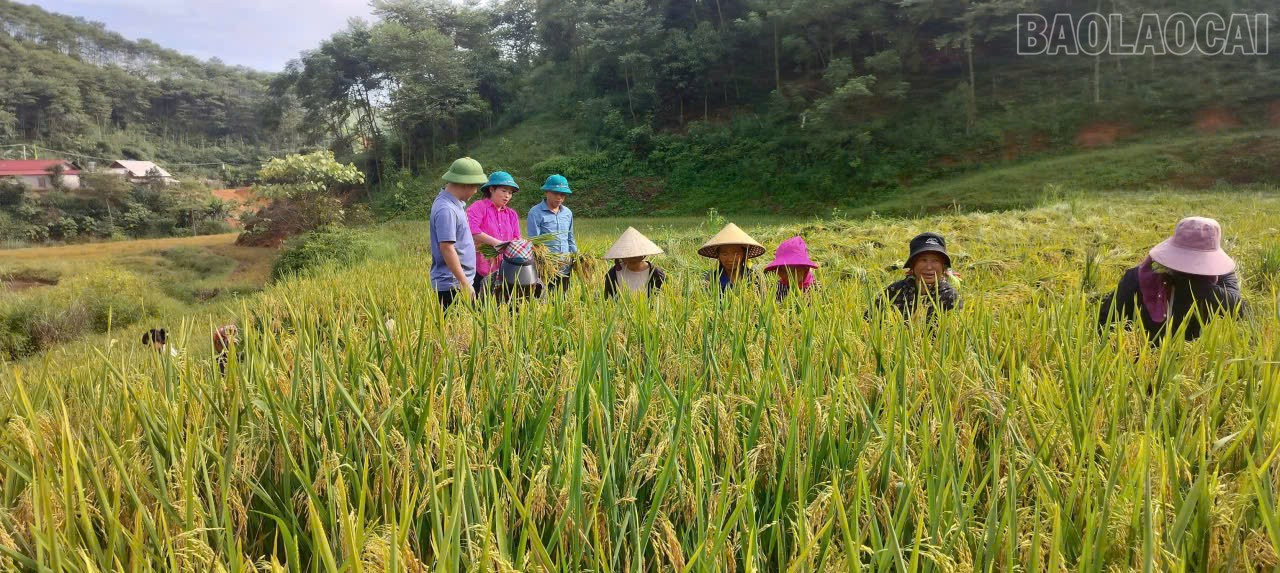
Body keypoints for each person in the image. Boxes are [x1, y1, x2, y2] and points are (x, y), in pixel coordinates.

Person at [1098, 216, 1244, 342]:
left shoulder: (1221, 275)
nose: (1189, 266)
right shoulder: (1139, 277)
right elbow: (1106, 322)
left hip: (1194, 358)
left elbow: (1239, 309)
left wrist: (1195, 285)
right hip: (1145, 356)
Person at [430, 157, 486, 312]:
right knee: (457, 333)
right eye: (474, 186)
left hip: (460, 281)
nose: (475, 191)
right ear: (464, 183)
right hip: (453, 285)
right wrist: (464, 284)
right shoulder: (446, 209)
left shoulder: (456, 206)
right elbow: (446, 248)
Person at [874, 232, 962, 318]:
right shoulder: (894, 292)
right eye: (923, 260)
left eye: (935, 260)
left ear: (944, 267)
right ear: (912, 265)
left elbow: (955, 330)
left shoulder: (950, 297)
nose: (929, 267)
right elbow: (869, 320)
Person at [467, 171, 522, 294]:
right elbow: (471, 230)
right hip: (480, 268)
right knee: (480, 306)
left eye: (510, 192)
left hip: (505, 270)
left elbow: (516, 238)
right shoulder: (478, 207)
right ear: (491, 189)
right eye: (504, 191)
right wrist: (496, 243)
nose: (507, 195)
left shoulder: (511, 214)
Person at [527, 174, 578, 292]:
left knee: (562, 297)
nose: (559, 197)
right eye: (556, 193)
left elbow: (570, 237)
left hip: (565, 264)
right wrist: (542, 261)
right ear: (547, 192)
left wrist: (577, 256)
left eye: (562, 195)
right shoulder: (535, 212)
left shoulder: (567, 213)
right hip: (546, 267)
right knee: (545, 298)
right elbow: (535, 242)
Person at [603, 227, 667, 298]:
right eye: (628, 255)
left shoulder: (656, 274)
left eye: (636, 255)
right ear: (621, 256)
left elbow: (663, 297)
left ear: (643, 255)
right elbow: (607, 300)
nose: (632, 259)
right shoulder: (613, 274)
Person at [699, 223, 765, 292]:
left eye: (736, 254)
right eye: (724, 254)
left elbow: (764, 298)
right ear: (718, 255)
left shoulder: (755, 275)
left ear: (745, 254)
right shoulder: (712, 277)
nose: (730, 259)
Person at [763, 236, 819, 301]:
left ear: (805, 269)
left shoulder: (816, 289)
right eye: (783, 270)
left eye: (793, 271)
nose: (787, 275)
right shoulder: (777, 288)